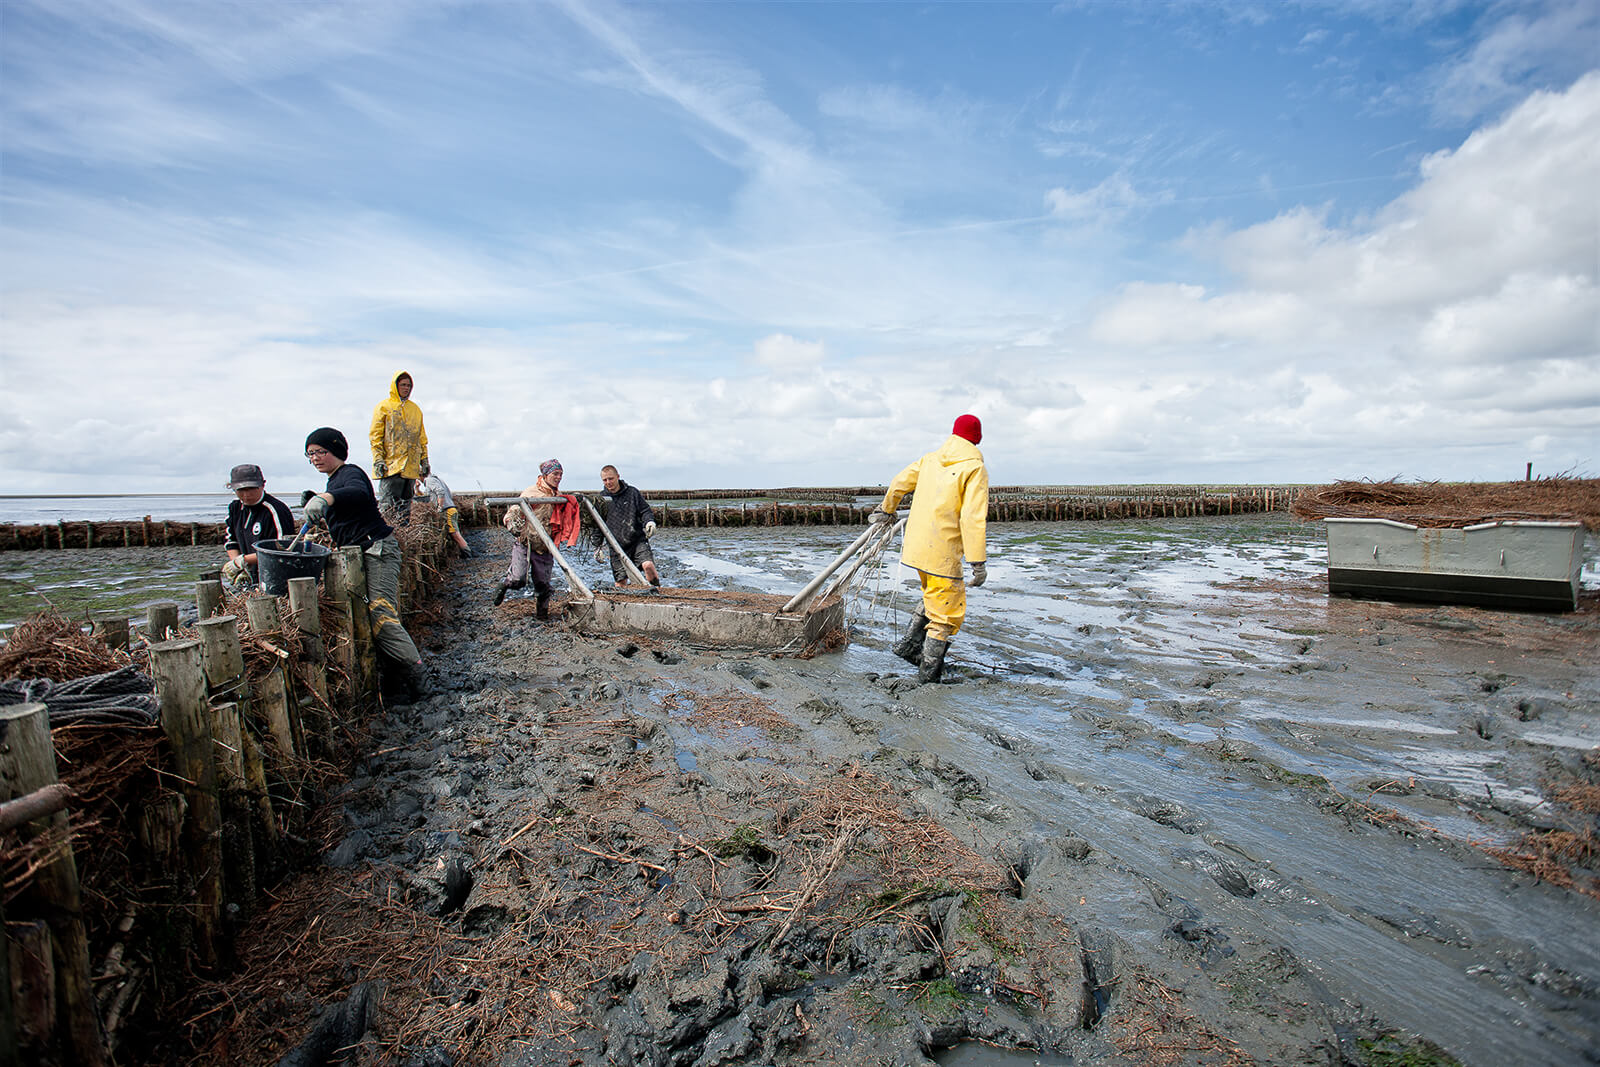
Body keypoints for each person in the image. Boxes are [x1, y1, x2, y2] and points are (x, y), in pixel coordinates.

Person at [302, 427, 428, 702]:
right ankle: (396, 675)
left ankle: (417, 677)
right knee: (373, 614)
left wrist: (326, 499)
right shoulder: (334, 482)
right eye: (310, 454)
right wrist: (319, 498)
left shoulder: (350, 473)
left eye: (320, 452)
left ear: (336, 449)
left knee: (380, 613)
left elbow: (358, 493)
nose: (315, 458)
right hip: (361, 554)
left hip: (377, 551)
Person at [872, 414, 989, 683]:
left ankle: (910, 648)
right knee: (946, 614)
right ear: (977, 438)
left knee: (933, 596)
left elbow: (899, 483)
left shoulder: (929, 460)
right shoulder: (974, 468)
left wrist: (886, 510)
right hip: (943, 553)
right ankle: (928, 676)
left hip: (917, 549)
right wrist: (977, 562)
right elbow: (972, 517)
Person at [493, 459, 581, 619]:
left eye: (561, 474)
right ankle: (504, 584)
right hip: (526, 543)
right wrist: (510, 522)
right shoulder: (532, 493)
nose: (559, 477)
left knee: (543, 584)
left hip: (545, 545)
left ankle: (542, 615)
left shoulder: (558, 496)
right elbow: (514, 510)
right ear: (545, 475)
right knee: (518, 579)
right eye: (555, 474)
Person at [221, 463, 295, 587]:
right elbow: (231, 541)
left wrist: (244, 560)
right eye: (241, 490)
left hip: (276, 576)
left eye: (251, 488)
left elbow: (284, 548)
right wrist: (237, 565)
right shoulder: (235, 508)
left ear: (262, 485)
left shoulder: (275, 510)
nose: (246, 494)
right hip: (251, 576)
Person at [368, 370, 429, 521]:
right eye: (403, 385)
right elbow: (375, 436)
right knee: (388, 505)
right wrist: (378, 459)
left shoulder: (415, 410)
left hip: (410, 468)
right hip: (390, 467)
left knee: (405, 507)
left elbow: (422, 438)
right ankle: (389, 536)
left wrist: (425, 460)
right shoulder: (383, 407)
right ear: (395, 386)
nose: (406, 388)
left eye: (409, 385)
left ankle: (403, 536)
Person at [589, 464, 660, 587]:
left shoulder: (632, 493)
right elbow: (597, 525)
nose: (608, 482)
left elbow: (645, 511)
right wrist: (597, 547)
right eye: (605, 480)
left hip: (637, 541)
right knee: (621, 582)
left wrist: (649, 522)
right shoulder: (601, 499)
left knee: (648, 566)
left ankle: (657, 592)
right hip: (616, 546)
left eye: (611, 478)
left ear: (618, 476)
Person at [415, 473, 473, 557]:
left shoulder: (429, 480)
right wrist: (417, 488)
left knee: (455, 535)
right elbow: (426, 497)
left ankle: (469, 555)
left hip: (448, 510)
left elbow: (440, 492)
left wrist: (439, 507)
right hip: (450, 509)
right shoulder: (437, 480)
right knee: (454, 534)